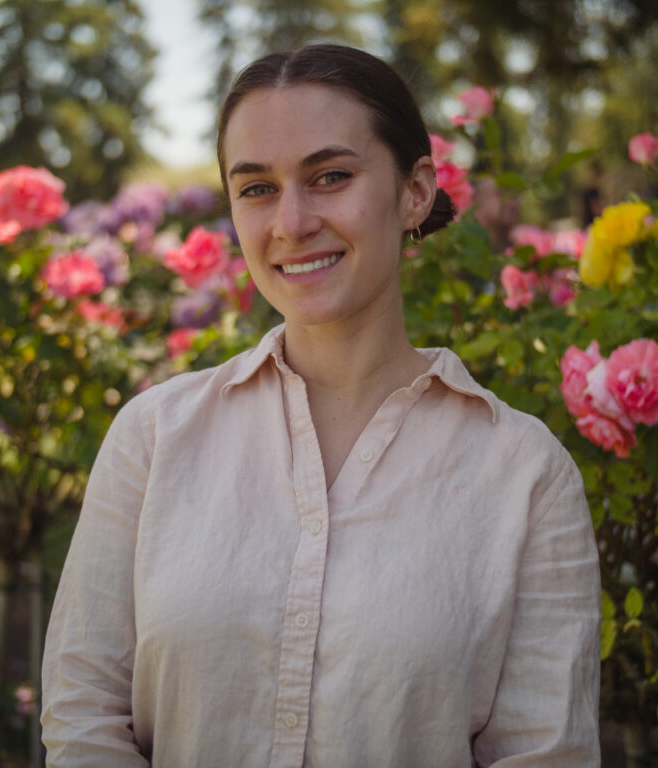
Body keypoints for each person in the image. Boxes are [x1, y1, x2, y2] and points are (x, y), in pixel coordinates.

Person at [41, 44, 600, 767]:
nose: (292, 222)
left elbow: (543, 755)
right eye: (257, 188)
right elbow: (84, 717)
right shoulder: (153, 439)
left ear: (415, 192)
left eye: (330, 176)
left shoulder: (526, 477)